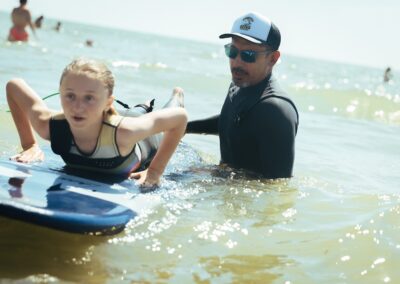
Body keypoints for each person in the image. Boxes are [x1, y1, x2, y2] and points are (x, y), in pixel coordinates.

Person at [6, 58, 188, 189]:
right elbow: (14, 85)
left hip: (141, 138)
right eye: (70, 96)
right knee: (136, 111)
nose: (77, 107)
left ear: (109, 102)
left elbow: (179, 118)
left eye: (89, 98)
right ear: (60, 95)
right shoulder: (50, 127)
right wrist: (29, 145)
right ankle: (143, 105)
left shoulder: (126, 132)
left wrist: (155, 170)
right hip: (105, 116)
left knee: (152, 114)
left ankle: (176, 95)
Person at [186, 12, 299, 179]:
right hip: (222, 186)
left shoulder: (276, 110)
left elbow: (277, 188)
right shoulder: (239, 85)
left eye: (249, 55)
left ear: (273, 59)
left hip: (244, 200)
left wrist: (216, 175)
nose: (237, 62)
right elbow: (232, 122)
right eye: (232, 51)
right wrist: (185, 127)